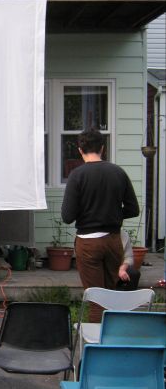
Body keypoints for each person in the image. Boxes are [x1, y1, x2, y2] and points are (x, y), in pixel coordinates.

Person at [61, 129, 140, 320]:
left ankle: (97, 344)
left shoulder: (77, 175)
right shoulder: (118, 172)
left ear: (80, 150)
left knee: (96, 297)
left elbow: (67, 216)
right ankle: (112, 337)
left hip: (88, 243)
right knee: (111, 293)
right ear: (102, 148)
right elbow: (133, 209)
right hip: (113, 241)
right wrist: (111, 214)